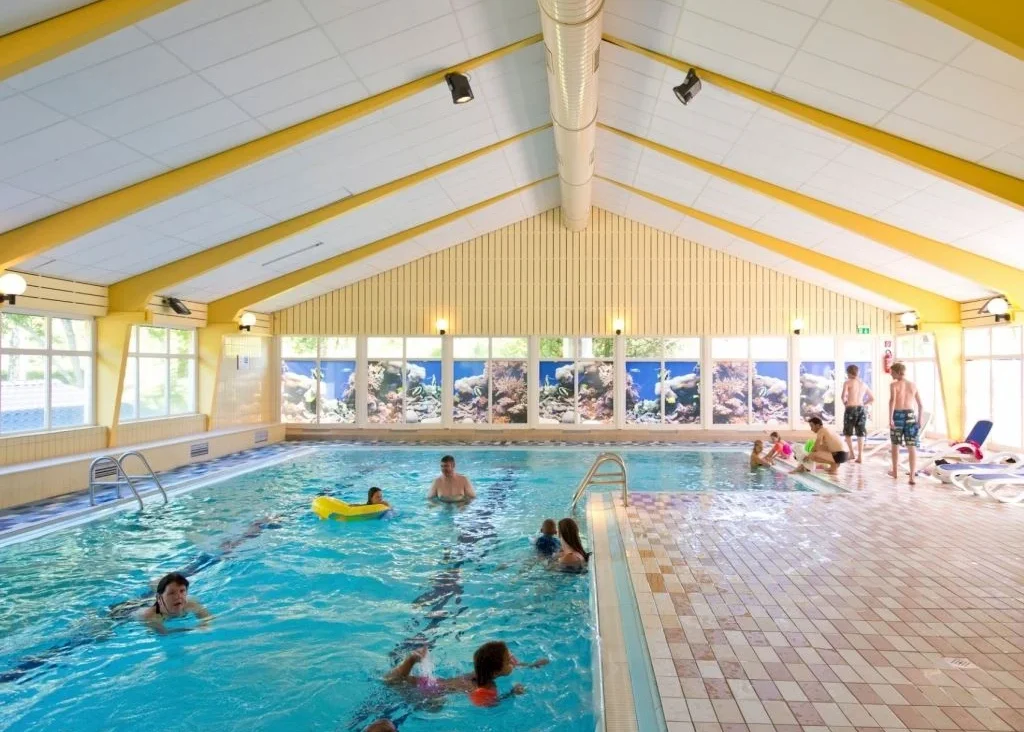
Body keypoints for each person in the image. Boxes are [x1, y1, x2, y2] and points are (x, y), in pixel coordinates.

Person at [384, 642, 547, 707]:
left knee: (392, 680)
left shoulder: (479, 671)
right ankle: (411, 660)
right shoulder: (486, 688)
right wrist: (512, 694)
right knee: (435, 707)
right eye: (509, 660)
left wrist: (531, 665)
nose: (513, 661)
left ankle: (412, 660)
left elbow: (508, 665)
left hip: (431, 683)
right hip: (430, 694)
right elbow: (490, 705)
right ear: (497, 671)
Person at [138, 572, 210, 634]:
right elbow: (165, 634)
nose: (179, 597)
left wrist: (204, 625)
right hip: (141, 605)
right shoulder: (151, 615)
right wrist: (193, 630)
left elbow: (207, 618)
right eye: (171, 593)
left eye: (182, 591)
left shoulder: (191, 603)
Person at [888, 361, 923, 485]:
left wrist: (890, 418)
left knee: (895, 445)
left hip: (898, 415)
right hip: (910, 416)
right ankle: (912, 476)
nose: (891, 374)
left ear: (898, 372)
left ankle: (895, 472)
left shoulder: (894, 385)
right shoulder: (913, 385)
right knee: (911, 446)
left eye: (892, 372)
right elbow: (920, 405)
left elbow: (892, 401)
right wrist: (919, 419)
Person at [841, 364, 875, 463]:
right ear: (857, 373)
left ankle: (852, 453)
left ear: (848, 373)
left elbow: (843, 396)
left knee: (848, 432)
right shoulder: (863, 384)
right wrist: (864, 404)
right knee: (860, 433)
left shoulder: (847, 382)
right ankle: (860, 456)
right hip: (861, 409)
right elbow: (872, 398)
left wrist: (845, 403)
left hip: (850, 408)